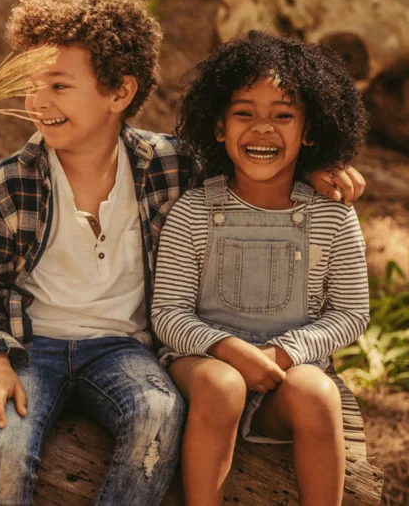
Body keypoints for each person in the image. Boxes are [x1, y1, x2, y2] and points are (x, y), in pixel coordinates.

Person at [0, 0, 368, 505]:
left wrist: (317, 167)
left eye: (57, 85)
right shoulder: (12, 183)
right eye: (30, 85)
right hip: (32, 347)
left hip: (124, 349)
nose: (37, 100)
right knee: (0, 442)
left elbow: (253, 162)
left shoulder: (169, 165)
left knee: (159, 412)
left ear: (120, 92)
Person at [151, 31, 371, 505]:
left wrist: (284, 355)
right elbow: (168, 312)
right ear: (218, 127)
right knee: (223, 384)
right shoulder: (193, 212)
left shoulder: (332, 216)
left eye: (283, 115)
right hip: (203, 365)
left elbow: (352, 312)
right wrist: (227, 348)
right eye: (244, 113)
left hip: (287, 370)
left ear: (309, 131)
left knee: (318, 394)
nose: (263, 128)